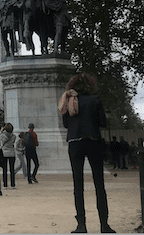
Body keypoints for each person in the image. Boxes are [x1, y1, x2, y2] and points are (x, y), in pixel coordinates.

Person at [59, 72, 115, 233]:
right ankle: (104, 225)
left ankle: (81, 224)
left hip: (75, 142)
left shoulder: (69, 101)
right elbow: (102, 122)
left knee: (78, 185)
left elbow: (65, 124)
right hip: (93, 140)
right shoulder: (95, 100)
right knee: (99, 184)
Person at [0, 123, 17, 189]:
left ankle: (5, 185)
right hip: (11, 153)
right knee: (12, 170)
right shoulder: (14, 136)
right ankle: (13, 185)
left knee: (5, 170)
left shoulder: (2, 135)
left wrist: (1, 130)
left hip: (4, 153)